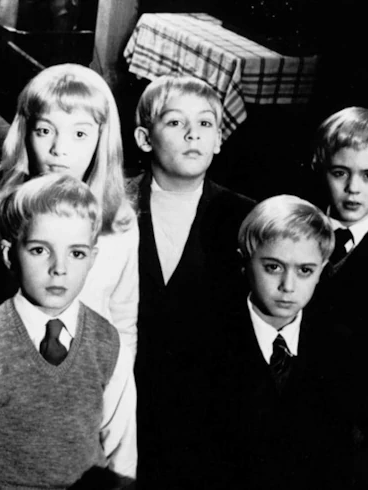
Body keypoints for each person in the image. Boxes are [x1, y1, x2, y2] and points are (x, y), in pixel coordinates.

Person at [0, 173, 137, 489]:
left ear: (92, 259)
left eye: (76, 253)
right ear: (9, 255)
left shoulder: (108, 343)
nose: (59, 268)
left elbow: (122, 453)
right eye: (40, 250)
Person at [0, 64, 137, 356]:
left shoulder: (119, 225)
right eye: (45, 130)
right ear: (25, 134)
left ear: (101, 141)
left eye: (79, 133)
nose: (59, 148)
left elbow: (123, 323)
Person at [128, 74, 255, 488]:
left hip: (204, 409)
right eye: (175, 122)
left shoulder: (245, 218)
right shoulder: (115, 207)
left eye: (204, 123)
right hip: (125, 396)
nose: (192, 134)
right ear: (145, 139)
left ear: (218, 139)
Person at [207, 194, 354, 490]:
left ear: (322, 270)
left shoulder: (337, 349)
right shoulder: (202, 346)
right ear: (244, 262)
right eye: (273, 267)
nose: (288, 286)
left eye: (305, 270)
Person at [306, 106, 368, 489]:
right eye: (340, 173)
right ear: (320, 167)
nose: (353, 188)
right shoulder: (294, 229)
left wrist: (363, 424)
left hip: (350, 432)